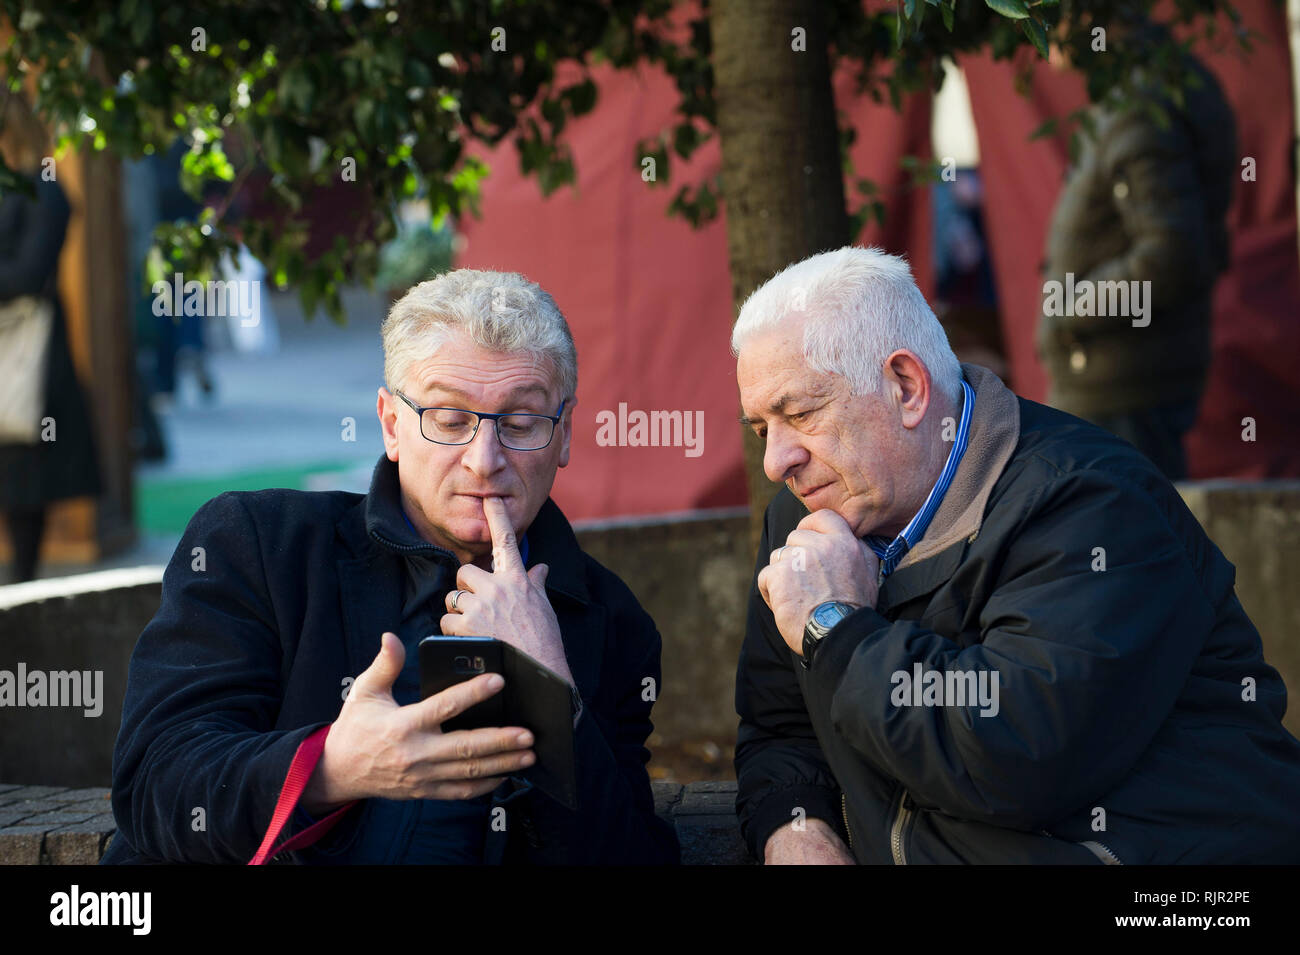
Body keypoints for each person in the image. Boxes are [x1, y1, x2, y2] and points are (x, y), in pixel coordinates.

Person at [732, 246, 1300, 864]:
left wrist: (836, 630)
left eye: (801, 413)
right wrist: (795, 826)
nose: (775, 461)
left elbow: (1012, 761)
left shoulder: (1092, 505)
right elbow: (780, 726)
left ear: (906, 387)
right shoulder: (810, 519)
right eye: (763, 429)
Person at [104, 269, 679, 864]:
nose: (484, 462)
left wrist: (552, 695)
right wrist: (332, 768)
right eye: (450, 420)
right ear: (390, 424)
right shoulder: (259, 544)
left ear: (563, 435)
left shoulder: (612, 619)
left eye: (520, 423)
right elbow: (155, 781)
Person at [1036, 12, 1236, 481]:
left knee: (1123, 544)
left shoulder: (1140, 104)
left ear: (1087, 15)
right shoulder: (1157, 84)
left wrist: (1068, 309)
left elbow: (1171, 255)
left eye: (1050, 12)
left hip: (1122, 389)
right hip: (1126, 381)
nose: (1037, 26)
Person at [0, 91, 102, 581]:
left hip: (24, 352)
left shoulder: (43, 188)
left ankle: (21, 592)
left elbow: (27, 273)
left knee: (24, 478)